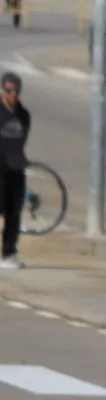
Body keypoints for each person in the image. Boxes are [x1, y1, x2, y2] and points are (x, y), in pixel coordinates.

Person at [0, 72, 28, 269]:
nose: (13, 94)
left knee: (14, 211)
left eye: (16, 90)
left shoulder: (24, 115)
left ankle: (9, 253)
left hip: (16, 169)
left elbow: (21, 141)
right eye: (9, 90)